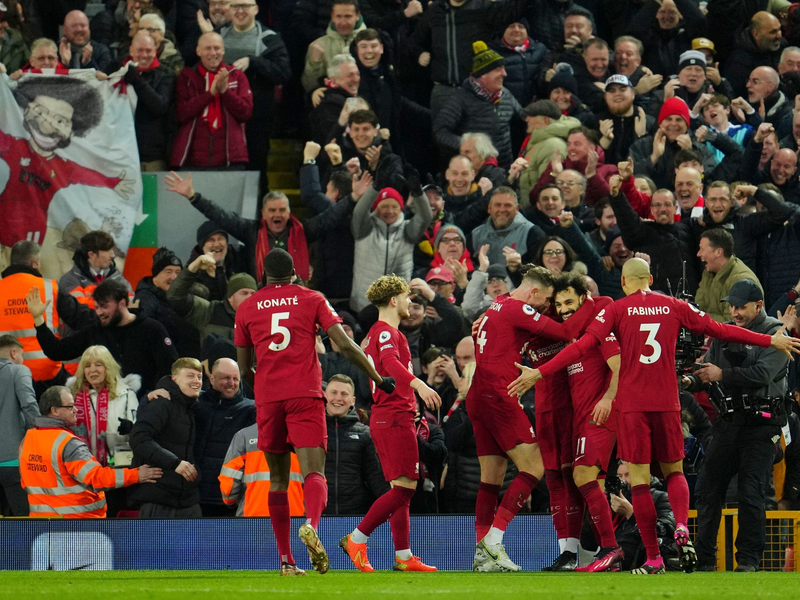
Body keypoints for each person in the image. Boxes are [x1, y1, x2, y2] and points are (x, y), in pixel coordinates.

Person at [515, 257, 800, 574]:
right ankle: (680, 524)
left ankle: (653, 558)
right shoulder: (675, 306)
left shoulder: (615, 310)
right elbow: (722, 329)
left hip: (634, 406)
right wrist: (769, 338)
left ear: (623, 283)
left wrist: (539, 373)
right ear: (650, 278)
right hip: (667, 403)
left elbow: (581, 347)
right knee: (674, 472)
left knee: (639, 481)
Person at [236, 249, 391, 576]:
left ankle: (286, 561)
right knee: (313, 472)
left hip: (269, 398)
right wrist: (377, 378)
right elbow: (345, 345)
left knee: (278, 479)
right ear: (294, 272)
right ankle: (311, 524)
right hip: (304, 393)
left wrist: (263, 388)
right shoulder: (311, 298)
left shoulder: (247, 306)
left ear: (263, 275)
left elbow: (243, 367)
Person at [468, 265, 596, 572]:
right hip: (500, 395)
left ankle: (482, 554)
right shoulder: (518, 309)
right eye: (546, 300)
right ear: (534, 292)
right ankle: (494, 541)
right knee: (535, 464)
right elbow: (566, 332)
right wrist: (590, 303)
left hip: (477, 396)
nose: (547, 307)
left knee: (491, 478)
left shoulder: (495, 305)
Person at [684, 279, 790, 572]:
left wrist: (721, 374)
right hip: (728, 422)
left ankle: (748, 560)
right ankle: (704, 560)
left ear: (758, 305)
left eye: (740, 307)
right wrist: (695, 375)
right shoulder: (724, 333)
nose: (735, 312)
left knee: (751, 492)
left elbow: (762, 374)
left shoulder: (776, 334)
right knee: (707, 489)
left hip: (761, 426)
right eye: (731, 306)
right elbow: (709, 370)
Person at [340, 274, 440, 572]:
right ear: (394, 300)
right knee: (405, 490)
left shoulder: (374, 333)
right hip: (394, 416)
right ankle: (357, 538)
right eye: (408, 297)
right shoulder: (386, 333)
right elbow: (391, 363)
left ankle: (404, 556)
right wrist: (419, 385)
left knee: (402, 488)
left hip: (388, 416)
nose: (411, 302)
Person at [550, 274, 623, 572]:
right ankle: (604, 552)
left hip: (601, 414)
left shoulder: (599, 327)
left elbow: (619, 366)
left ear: (583, 298)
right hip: (581, 418)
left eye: (569, 301)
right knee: (584, 482)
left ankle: (611, 548)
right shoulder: (570, 334)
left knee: (583, 477)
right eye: (558, 304)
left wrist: (608, 399)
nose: (564, 308)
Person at [19, 386, 161, 518]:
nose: (75, 410)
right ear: (54, 410)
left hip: (42, 524)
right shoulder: (68, 444)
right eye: (70, 406)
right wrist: (136, 475)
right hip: (78, 525)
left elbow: (26, 483)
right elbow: (97, 478)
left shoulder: (28, 439)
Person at [30, 279, 178, 392]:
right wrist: (38, 319)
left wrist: (155, 398)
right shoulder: (94, 331)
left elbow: (171, 369)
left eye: (105, 306)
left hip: (145, 408)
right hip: (104, 414)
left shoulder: (152, 329)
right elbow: (57, 351)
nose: (99, 312)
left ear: (122, 303)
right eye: (97, 307)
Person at [219, 0, 290, 190]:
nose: (240, 10)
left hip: (257, 117)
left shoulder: (270, 38)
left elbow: (283, 72)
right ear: (228, 9)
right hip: (221, 115)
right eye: (235, 6)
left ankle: (258, 215)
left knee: (256, 167)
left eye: (245, 5)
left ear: (256, 9)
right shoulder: (217, 35)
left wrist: (254, 62)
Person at [129, 358, 204, 518]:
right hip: (159, 499)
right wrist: (175, 463)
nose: (196, 381)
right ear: (174, 378)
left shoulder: (191, 407)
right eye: (190, 375)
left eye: (199, 377)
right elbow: (138, 438)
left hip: (187, 500)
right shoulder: (162, 403)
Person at [170, 32, 254, 169]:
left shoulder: (236, 76)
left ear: (223, 50)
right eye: (208, 48)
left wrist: (225, 91)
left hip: (231, 158)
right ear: (198, 51)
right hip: (193, 159)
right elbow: (182, 113)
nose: (213, 53)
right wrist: (210, 93)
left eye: (217, 48)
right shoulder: (187, 77)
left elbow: (245, 112)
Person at [434, 41, 524, 169]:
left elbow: (524, 117)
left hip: (503, 167)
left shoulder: (505, 94)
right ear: (483, 74)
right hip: (475, 171)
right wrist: (468, 147)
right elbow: (440, 131)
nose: (504, 74)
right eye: (498, 69)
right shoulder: (461, 99)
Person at [350, 176, 433, 312]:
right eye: (384, 206)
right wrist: (375, 188)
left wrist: (418, 192)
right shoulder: (365, 229)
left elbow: (425, 217)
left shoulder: (408, 231)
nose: (390, 211)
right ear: (376, 209)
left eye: (394, 206)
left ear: (401, 208)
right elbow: (359, 212)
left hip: (396, 306)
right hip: (364, 305)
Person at [194, 357, 256, 516]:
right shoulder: (195, 403)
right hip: (194, 497)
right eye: (226, 378)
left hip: (230, 499)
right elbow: (173, 391)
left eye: (236, 378)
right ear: (212, 378)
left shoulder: (250, 409)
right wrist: (162, 388)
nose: (232, 383)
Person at [324, 374, 389, 514]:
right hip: (317, 514)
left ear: (353, 400)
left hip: (355, 515)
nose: (338, 398)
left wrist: (392, 505)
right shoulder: (313, 431)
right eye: (333, 393)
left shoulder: (365, 434)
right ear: (324, 396)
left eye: (344, 394)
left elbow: (375, 475)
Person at [67, 345, 138, 468]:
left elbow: (142, 431)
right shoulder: (75, 398)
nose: (92, 370)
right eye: (87, 366)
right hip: (86, 469)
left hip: (120, 467)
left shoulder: (126, 395)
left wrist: (131, 428)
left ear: (108, 368)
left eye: (98, 365)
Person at [219, 423, 305, 516]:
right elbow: (316, 483)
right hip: (294, 515)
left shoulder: (244, 435)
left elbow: (229, 484)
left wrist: (230, 500)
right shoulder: (305, 436)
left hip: (252, 514)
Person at [167, 254, 257, 342]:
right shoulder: (210, 311)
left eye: (253, 294)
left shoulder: (261, 317)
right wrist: (193, 268)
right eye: (244, 293)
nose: (249, 298)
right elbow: (175, 297)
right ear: (230, 297)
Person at [122, 31, 176, 172]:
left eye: (149, 51)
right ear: (131, 50)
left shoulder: (166, 75)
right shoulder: (117, 71)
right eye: (140, 50)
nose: (144, 55)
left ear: (156, 52)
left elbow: (160, 106)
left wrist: (137, 80)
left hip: (152, 156)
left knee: (153, 194)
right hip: (122, 154)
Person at [134, 248, 201, 359]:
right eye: (168, 272)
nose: (174, 277)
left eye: (178, 272)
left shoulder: (187, 295)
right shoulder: (146, 298)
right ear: (155, 278)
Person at [0, 335, 38, 516]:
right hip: (13, 461)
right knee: (23, 525)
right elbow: (29, 404)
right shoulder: (18, 371)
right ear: (14, 353)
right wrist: (40, 434)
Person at [696, 229, 762, 323]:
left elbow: (733, 321)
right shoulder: (708, 274)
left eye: (702, 249)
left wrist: (698, 317)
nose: (698, 254)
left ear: (718, 252)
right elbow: (698, 307)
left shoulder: (741, 280)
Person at [301, 0, 365, 92]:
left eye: (348, 16)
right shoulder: (317, 46)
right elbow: (309, 86)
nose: (343, 22)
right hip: (333, 102)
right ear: (332, 17)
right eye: (338, 16)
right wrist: (314, 64)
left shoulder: (372, 43)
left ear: (357, 16)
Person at [59, 231, 131, 310]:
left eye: (112, 249)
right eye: (107, 250)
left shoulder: (116, 276)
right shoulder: (69, 280)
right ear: (91, 255)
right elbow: (80, 310)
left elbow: (132, 302)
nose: (113, 255)